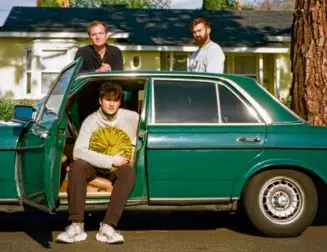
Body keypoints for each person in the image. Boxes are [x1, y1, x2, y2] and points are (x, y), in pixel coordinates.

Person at [56, 82, 139, 244]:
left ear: (120, 102)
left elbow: (145, 130)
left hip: (118, 165)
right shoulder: (91, 121)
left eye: (115, 100)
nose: (111, 103)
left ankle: (108, 226)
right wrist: (110, 160)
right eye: (107, 99)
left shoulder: (131, 117)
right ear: (100, 100)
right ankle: (76, 225)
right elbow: (78, 151)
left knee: (128, 173)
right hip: (94, 165)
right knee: (77, 166)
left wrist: (133, 148)